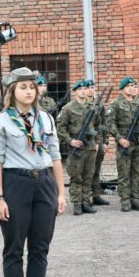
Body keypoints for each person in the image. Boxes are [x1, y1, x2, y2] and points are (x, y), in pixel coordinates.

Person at [0, 67, 66, 277]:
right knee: (14, 248)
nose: (29, 91)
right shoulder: (1, 121)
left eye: (32, 87)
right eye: (23, 87)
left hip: (43, 183)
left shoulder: (46, 119)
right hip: (15, 183)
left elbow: (55, 156)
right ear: (12, 91)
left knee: (40, 247)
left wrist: (60, 192)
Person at [107, 77, 139, 212]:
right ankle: (125, 201)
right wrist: (119, 138)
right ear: (123, 88)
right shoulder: (116, 103)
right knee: (124, 173)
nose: (132, 88)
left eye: (133, 86)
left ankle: (135, 199)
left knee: (137, 172)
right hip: (124, 143)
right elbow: (110, 122)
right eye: (129, 86)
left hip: (138, 143)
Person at [57, 80, 99, 215]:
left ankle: (86, 202)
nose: (83, 91)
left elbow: (98, 126)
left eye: (84, 89)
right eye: (80, 89)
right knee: (76, 177)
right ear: (75, 91)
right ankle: (77, 204)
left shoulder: (93, 108)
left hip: (90, 147)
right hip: (76, 148)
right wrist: (70, 141)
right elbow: (60, 128)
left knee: (88, 176)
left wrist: (97, 142)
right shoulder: (68, 108)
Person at [86, 79, 110, 206]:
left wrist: (105, 141)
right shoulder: (82, 104)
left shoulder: (99, 105)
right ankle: (86, 198)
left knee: (96, 170)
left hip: (99, 141)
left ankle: (96, 195)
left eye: (92, 87)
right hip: (88, 142)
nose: (90, 89)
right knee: (87, 171)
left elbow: (104, 124)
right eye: (88, 87)